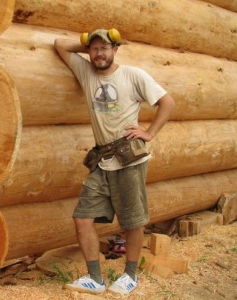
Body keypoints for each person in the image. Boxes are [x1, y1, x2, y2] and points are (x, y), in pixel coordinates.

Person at [54, 29, 175, 295]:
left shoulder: (133, 75)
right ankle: (95, 279)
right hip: (101, 160)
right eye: (94, 49)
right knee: (82, 219)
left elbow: (167, 102)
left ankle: (130, 275)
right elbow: (60, 45)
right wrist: (86, 44)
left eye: (104, 48)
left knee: (133, 221)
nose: (99, 53)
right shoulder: (86, 71)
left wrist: (150, 132)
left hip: (128, 159)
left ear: (115, 50)